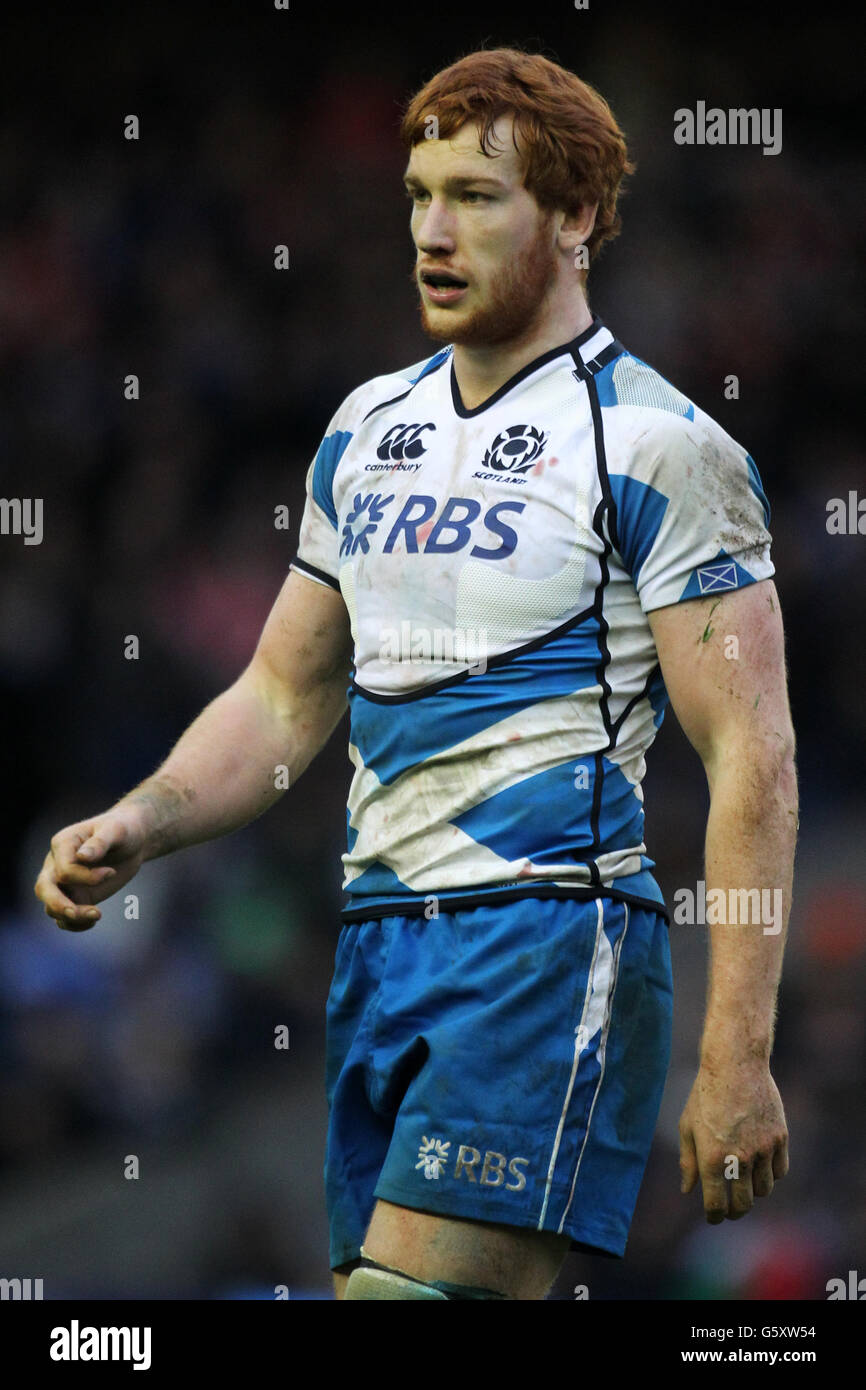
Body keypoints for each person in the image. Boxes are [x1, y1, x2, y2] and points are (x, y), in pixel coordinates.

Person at [35, 47, 798, 1301]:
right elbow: (282, 698)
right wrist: (143, 819)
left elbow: (750, 759)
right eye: (416, 192)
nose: (432, 232)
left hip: (547, 935)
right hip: (380, 944)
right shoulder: (364, 429)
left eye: (475, 197)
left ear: (574, 217)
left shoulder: (658, 443)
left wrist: (736, 1059)